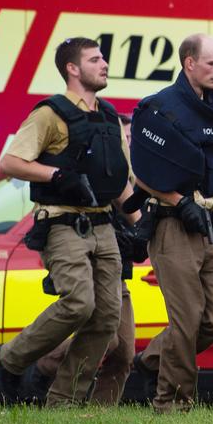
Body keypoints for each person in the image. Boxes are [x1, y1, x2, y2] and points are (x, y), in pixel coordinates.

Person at [0, 37, 135, 406]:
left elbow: (118, 182)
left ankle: (63, 402)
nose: (104, 64)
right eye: (94, 59)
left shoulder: (108, 118)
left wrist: (138, 221)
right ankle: (9, 359)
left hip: (104, 226)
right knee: (78, 303)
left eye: (103, 58)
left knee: (106, 320)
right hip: (62, 223)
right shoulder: (49, 114)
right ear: (72, 69)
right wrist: (55, 176)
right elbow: (10, 162)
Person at [128, 33, 213, 413]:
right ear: (189, 64)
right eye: (212, 63)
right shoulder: (158, 109)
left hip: (212, 228)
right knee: (187, 319)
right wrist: (179, 202)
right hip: (172, 227)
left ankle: (151, 361)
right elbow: (142, 173)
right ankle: (172, 402)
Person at [26, 115, 144, 405]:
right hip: (90, 261)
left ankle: (99, 416)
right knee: (109, 339)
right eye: (123, 140)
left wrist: (142, 236)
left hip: (118, 271)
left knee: (124, 352)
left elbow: (137, 219)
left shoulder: (134, 180)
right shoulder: (96, 174)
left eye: (130, 141)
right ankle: (41, 368)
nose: (127, 146)